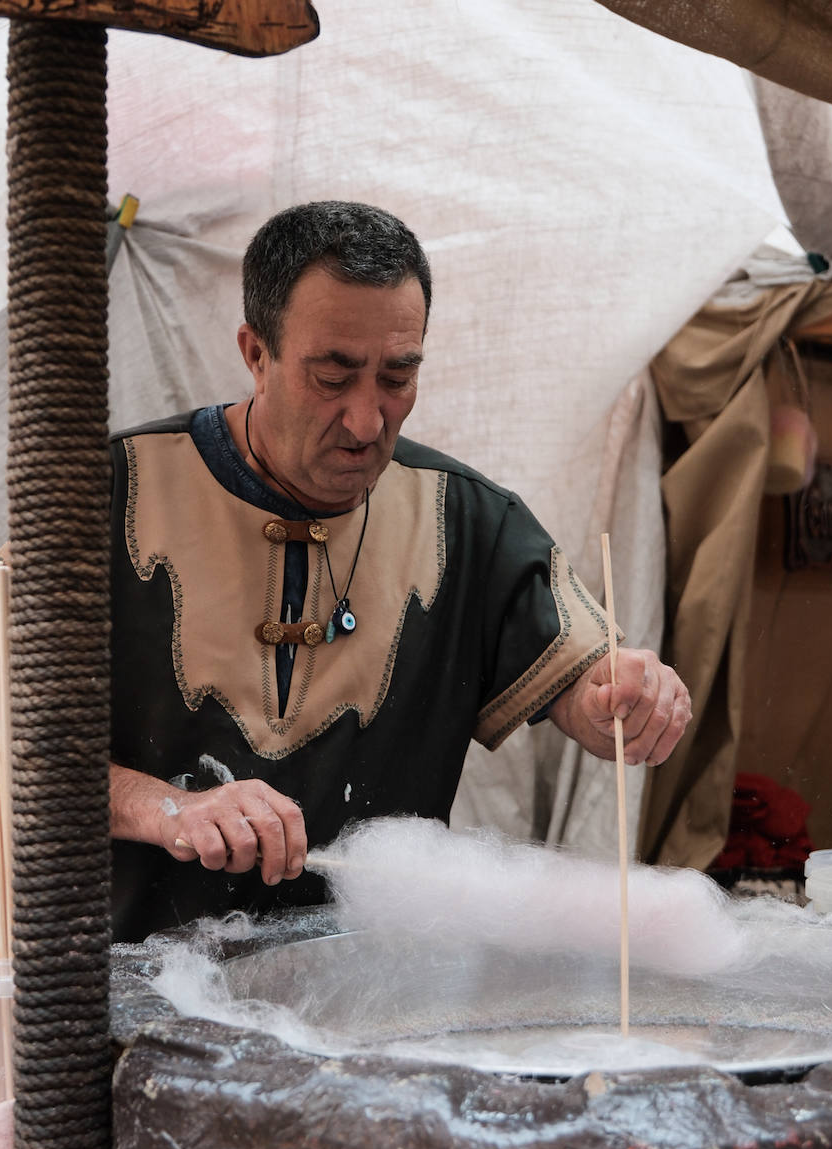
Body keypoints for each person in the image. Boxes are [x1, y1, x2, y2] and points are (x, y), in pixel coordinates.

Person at [109, 201, 691, 942]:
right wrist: (166, 808)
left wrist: (630, 698)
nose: (366, 420)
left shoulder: (469, 520)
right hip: (126, 997)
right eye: (333, 375)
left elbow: (585, 686)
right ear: (256, 353)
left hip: (372, 1011)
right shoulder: (106, 498)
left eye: (397, 376)